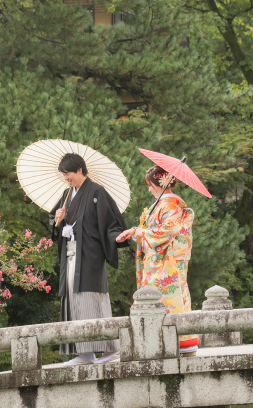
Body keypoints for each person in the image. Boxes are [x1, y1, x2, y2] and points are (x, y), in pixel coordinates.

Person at [51, 153, 128, 365]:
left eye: (68, 173)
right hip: (71, 256)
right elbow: (54, 220)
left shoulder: (97, 192)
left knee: (91, 300)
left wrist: (117, 237)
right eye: (64, 174)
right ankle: (84, 353)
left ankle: (112, 349)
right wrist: (58, 222)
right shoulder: (67, 194)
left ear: (79, 170)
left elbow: (111, 224)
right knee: (73, 302)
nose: (66, 178)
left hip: (90, 256)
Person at [116, 165, 199, 355]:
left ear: (160, 183)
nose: (149, 188)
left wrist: (140, 232)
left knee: (167, 298)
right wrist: (134, 232)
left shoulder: (170, 204)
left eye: (150, 184)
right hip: (157, 262)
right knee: (154, 298)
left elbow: (168, 231)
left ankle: (179, 341)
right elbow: (149, 230)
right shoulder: (162, 204)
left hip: (167, 263)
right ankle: (158, 340)